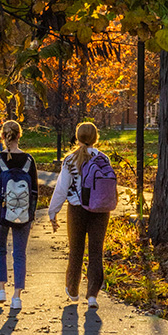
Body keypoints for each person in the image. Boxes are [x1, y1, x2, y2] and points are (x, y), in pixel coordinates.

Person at [48, 122, 111, 309]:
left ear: (77, 137)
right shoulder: (103, 159)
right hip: (100, 210)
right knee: (96, 251)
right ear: (95, 138)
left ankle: (73, 289)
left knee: (76, 250)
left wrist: (53, 212)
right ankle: (92, 295)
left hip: (77, 209)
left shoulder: (70, 160)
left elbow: (61, 188)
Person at [0, 120, 38, 310]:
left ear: (3, 136)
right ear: (19, 135)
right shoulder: (29, 160)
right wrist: (31, 214)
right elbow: (35, 192)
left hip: (1, 212)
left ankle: (1, 290)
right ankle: (17, 297)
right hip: (23, 214)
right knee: (19, 253)